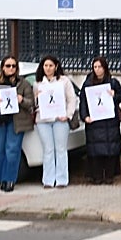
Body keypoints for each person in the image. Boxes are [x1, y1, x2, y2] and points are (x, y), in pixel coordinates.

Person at [0, 56, 34, 192]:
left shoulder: (23, 83)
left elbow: (31, 103)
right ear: (2, 67)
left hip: (17, 121)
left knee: (12, 151)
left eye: (13, 66)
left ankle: (10, 179)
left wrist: (22, 100)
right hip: (0, 121)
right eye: (8, 66)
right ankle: (0, 179)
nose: (10, 69)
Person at [79, 56, 121, 185]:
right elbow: (83, 101)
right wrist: (85, 116)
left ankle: (109, 175)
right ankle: (97, 176)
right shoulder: (88, 83)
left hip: (109, 121)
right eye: (95, 67)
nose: (97, 70)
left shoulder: (113, 82)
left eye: (100, 67)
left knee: (111, 149)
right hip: (94, 121)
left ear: (104, 68)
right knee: (95, 150)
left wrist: (114, 96)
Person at [33, 55, 77, 188]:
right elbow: (34, 105)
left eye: (51, 65)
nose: (48, 68)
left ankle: (62, 179)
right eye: (45, 66)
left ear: (56, 66)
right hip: (43, 120)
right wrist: (36, 97)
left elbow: (72, 99)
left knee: (61, 149)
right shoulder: (38, 83)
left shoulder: (64, 81)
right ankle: (48, 180)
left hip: (60, 120)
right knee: (48, 150)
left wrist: (68, 115)